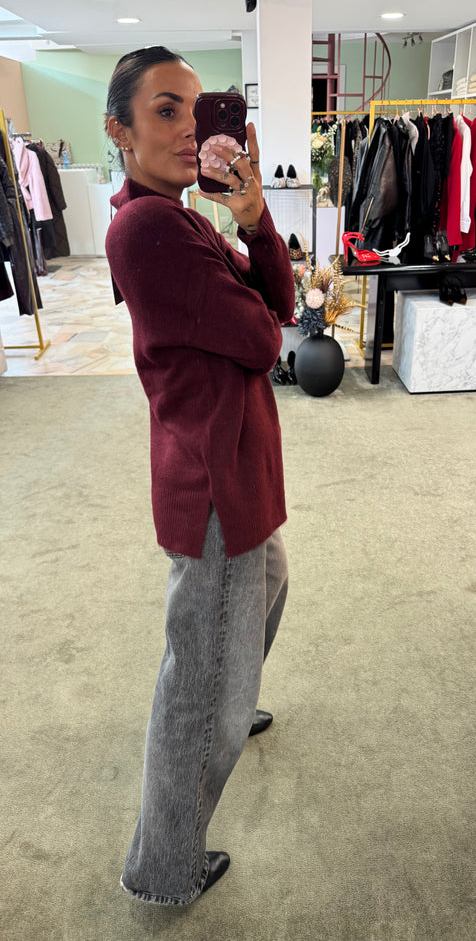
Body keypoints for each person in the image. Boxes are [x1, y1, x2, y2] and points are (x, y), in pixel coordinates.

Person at [104, 47, 294, 906]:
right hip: (211, 479)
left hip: (231, 460)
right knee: (197, 685)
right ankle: (163, 868)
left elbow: (274, 306)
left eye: (195, 108)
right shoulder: (148, 227)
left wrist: (252, 218)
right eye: (164, 111)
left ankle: (234, 687)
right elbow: (262, 338)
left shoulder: (183, 220)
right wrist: (249, 279)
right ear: (119, 130)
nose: (190, 129)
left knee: (270, 585)